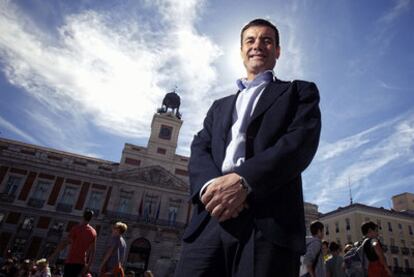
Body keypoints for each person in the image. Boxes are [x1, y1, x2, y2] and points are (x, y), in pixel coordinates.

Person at [174, 18, 321, 277]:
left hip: (268, 221)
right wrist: (211, 188)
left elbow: (299, 143)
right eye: (250, 40)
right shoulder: (219, 106)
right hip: (211, 215)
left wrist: (244, 181)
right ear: (241, 51)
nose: (258, 45)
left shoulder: (299, 92)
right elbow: (200, 147)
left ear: (277, 51)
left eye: (267, 40)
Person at [48, 210, 97, 277]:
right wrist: (88, 266)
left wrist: (53, 255)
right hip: (82, 263)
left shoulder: (76, 229)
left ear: (83, 216)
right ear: (91, 218)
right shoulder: (93, 232)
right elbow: (93, 251)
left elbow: (64, 243)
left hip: (71, 260)